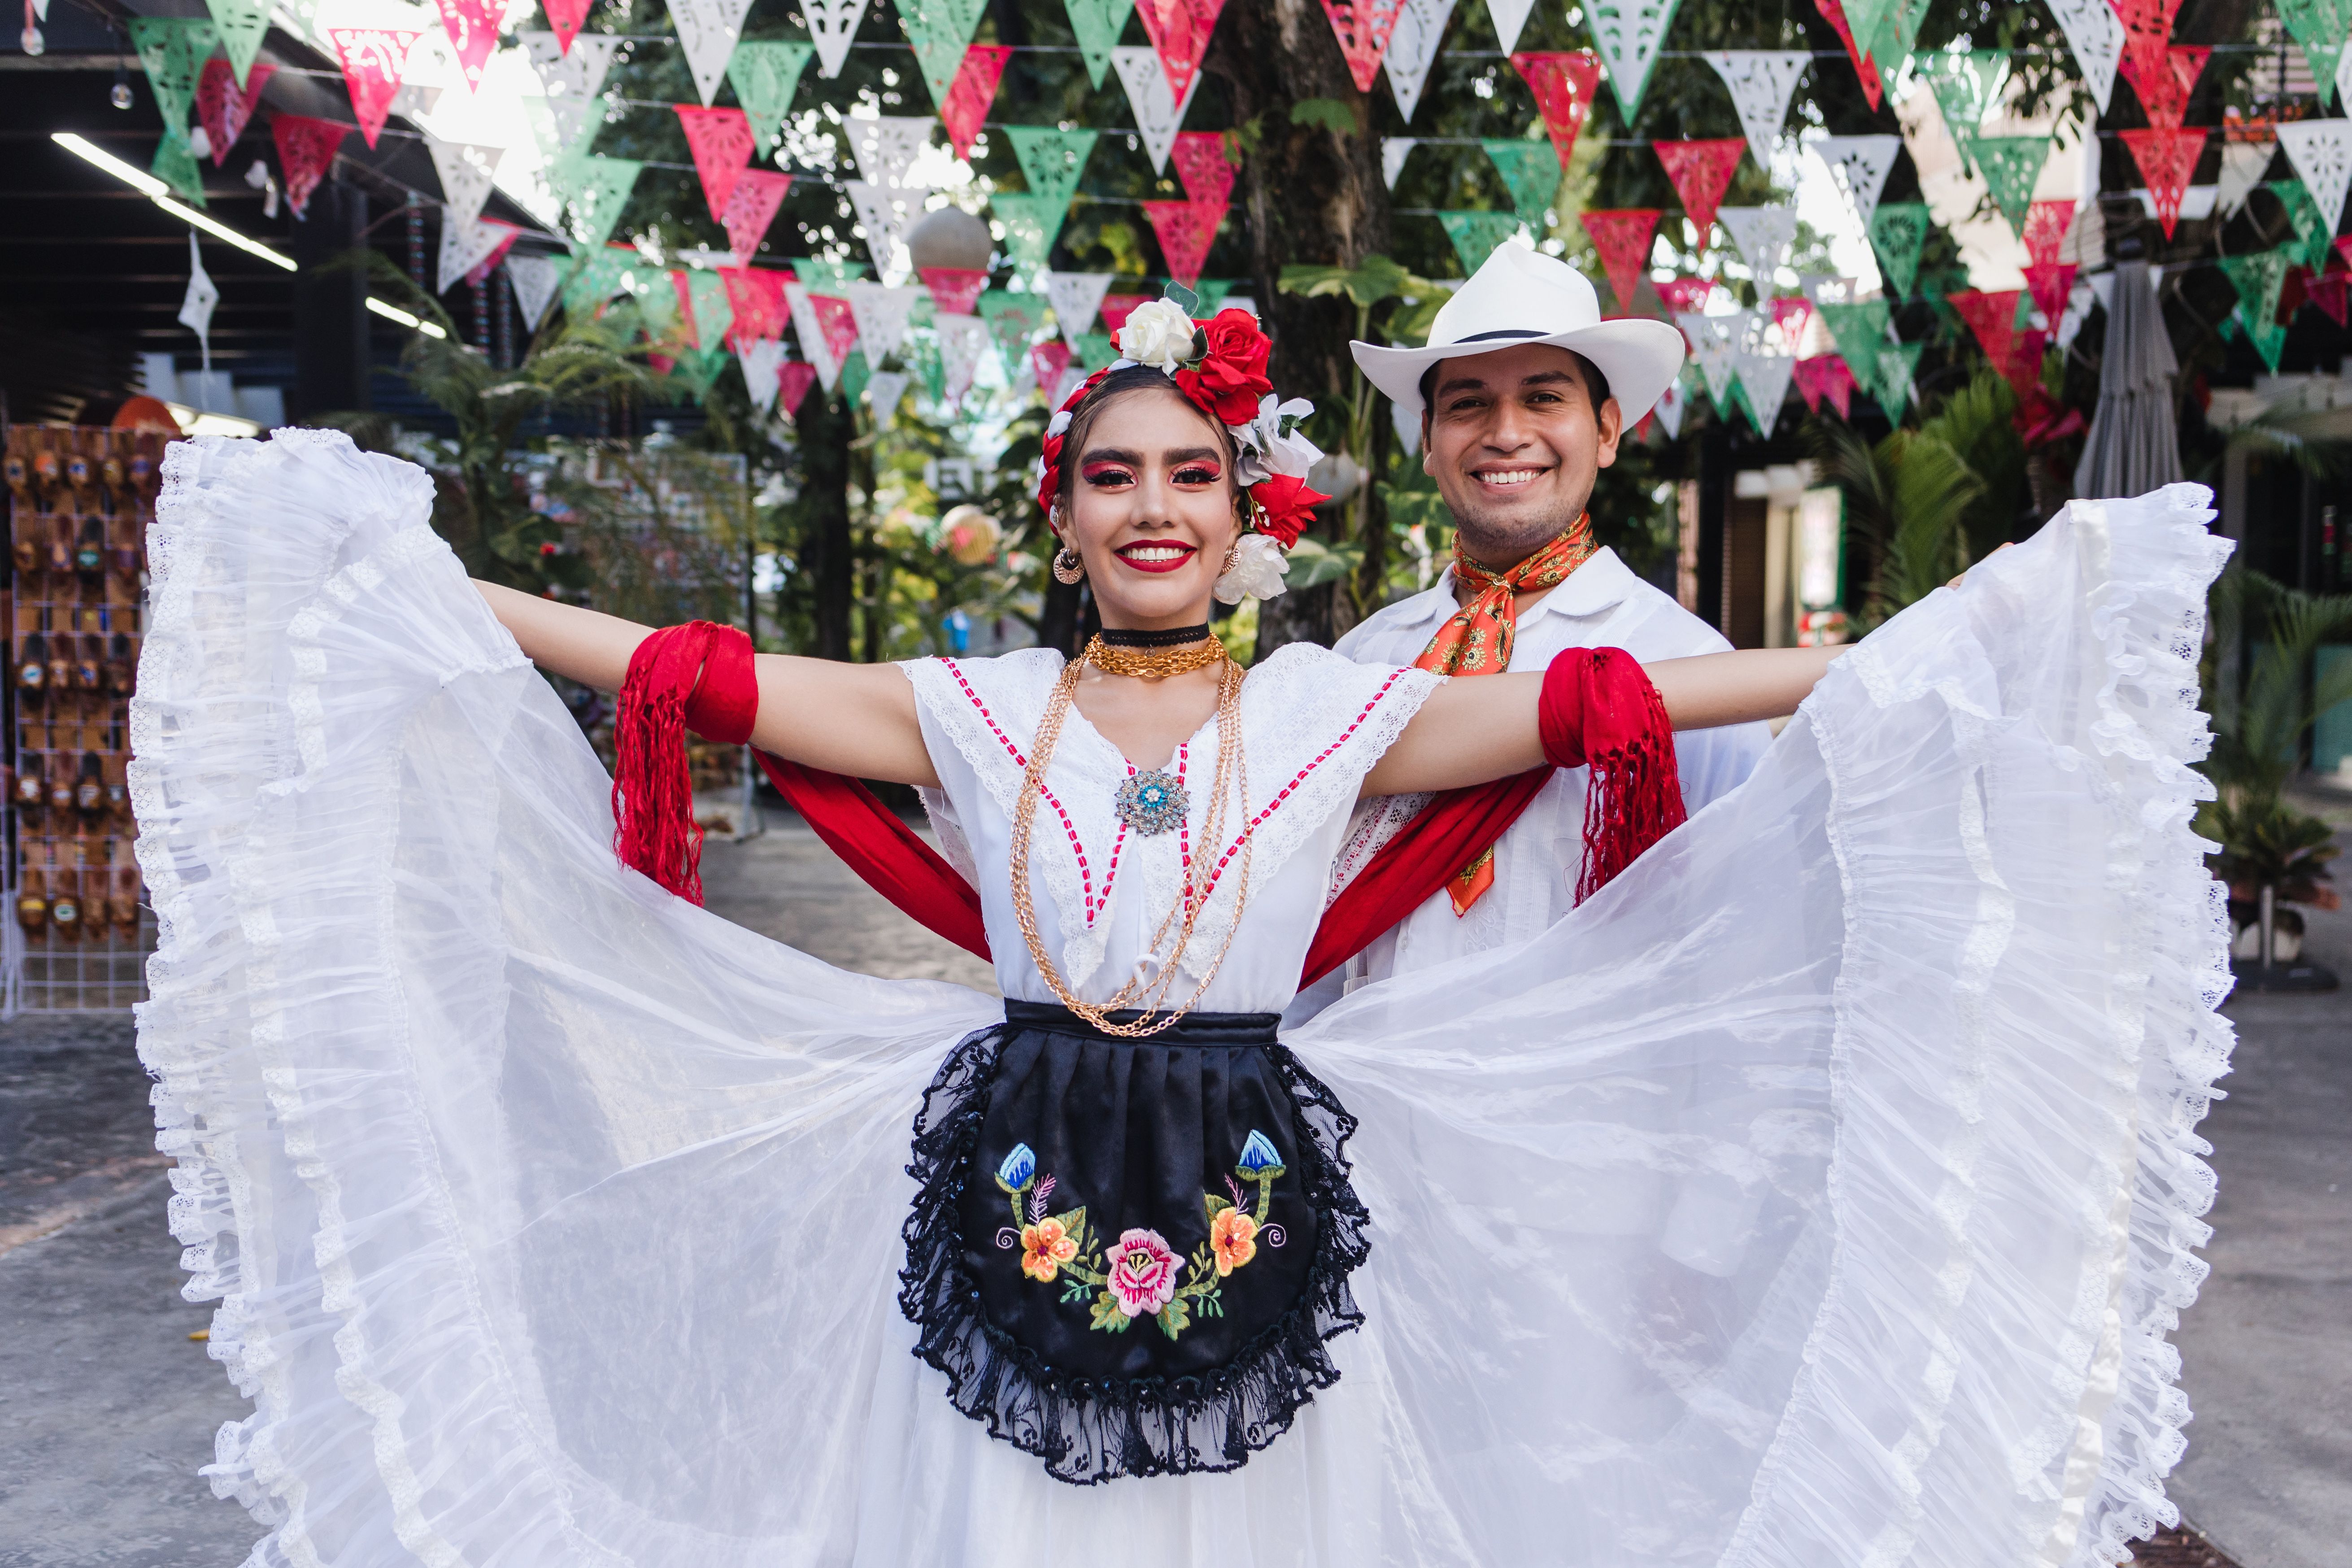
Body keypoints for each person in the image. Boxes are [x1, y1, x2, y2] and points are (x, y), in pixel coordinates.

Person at [130, 296, 2233, 1568]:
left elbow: (1654, 695)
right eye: (1115, 473)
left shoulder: (1340, 710)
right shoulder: (960, 709)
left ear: (1247, 517)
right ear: (1065, 513)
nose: (1156, 503)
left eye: (1195, 474)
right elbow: (690, 665)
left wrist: (1933, 648)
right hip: (1008, 1174)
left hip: (1261, 1189)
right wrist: (409, 595)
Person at [1301, 244, 1767, 1015]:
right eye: (1468, 403)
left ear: (1608, 430)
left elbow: (1736, 944)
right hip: (1355, 1118)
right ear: (1428, 438)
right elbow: (1302, 936)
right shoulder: (1365, 658)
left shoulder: (1685, 663)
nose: (1506, 433)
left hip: (1580, 1124)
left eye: (1545, 398)